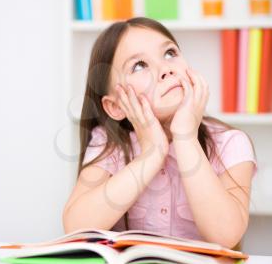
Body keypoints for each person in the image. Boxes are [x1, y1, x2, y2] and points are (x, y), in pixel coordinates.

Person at [62, 17, 257, 249]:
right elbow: (76, 228)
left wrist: (186, 137)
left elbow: (226, 234)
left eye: (170, 53)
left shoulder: (230, 143)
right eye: (139, 65)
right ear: (115, 106)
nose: (166, 69)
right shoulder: (109, 143)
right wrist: (152, 153)